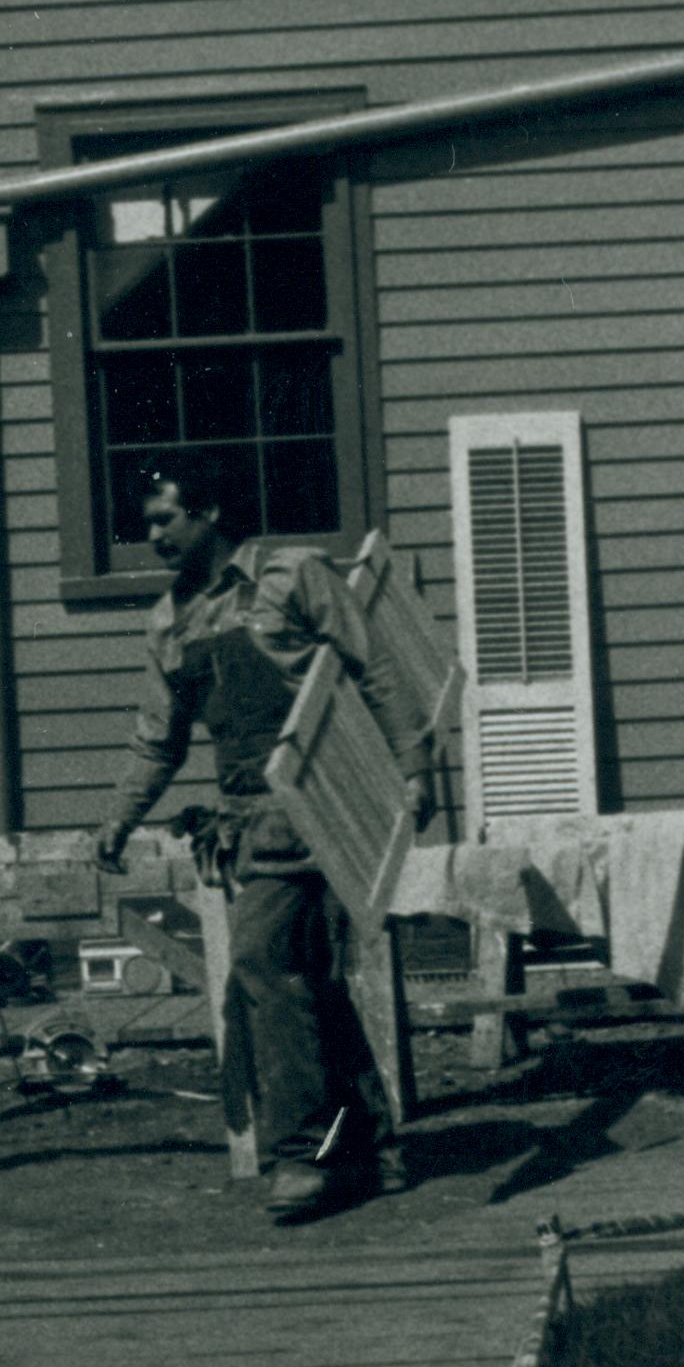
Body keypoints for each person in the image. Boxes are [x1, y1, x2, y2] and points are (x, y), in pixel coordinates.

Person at [90, 465, 407, 1223]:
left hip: (330, 802)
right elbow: (156, 741)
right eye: (147, 527)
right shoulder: (170, 621)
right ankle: (368, 1145)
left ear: (209, 509)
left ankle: (308, 1154)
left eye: (167, 519)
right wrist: (117, 820)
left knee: (271, 965)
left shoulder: (290, 573)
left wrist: (416, 772)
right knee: (300, 975)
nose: (157, 537)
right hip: (252, 824)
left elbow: (375, 668)